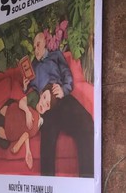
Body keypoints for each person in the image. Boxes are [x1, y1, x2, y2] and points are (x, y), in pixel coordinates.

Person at [24, 31, 94, 177]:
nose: (36, 50)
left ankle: (87, 179)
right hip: (46, 107)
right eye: (34, 47)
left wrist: (64, 89)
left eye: (38, 45)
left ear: (45, 43)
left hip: (61, 99)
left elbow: (67, 74)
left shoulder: (56, 56)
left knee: (87, 123)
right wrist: (25, 86)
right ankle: (48, 185)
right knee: (47, 141)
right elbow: (32, 92)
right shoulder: (33, 66)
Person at [0, 85, 55, 170]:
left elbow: (28, 131)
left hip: (18, 127)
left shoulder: (40, 119)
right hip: (14, 110)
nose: (44, 104)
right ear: (41, 94)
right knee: (12, 109)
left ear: (49, 108)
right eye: (44, 97)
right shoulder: (35, 96)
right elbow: (22, 102)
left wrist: (28, 152)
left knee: (5, 145)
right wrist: (27, 112)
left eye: (47, 104)